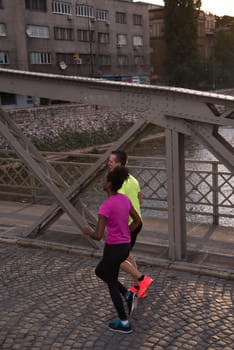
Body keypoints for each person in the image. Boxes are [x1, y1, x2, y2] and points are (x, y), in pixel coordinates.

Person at [82, 166, 142, 334]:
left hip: (113, 248)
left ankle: (124, 323)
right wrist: (125, 233)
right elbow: (137, 221)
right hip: (124, 247)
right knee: (100, 271)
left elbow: (98, 235)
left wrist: (88, 231)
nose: (103, 181)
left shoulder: (105, 207)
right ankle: (128, 294)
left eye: (104, 180)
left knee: (111, 283)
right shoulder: (124, 199)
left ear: (109, 184)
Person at [108, 150, 153, 298]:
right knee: (126, 254)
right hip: (137, 222)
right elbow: (140, 200)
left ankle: (142, 279)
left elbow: (117, 205)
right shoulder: (133, 179)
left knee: (114, 258)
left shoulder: (118, 183)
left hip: (125, 225)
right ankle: (139, 286)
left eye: (111, 161)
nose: (109, 163)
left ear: (119, 164)